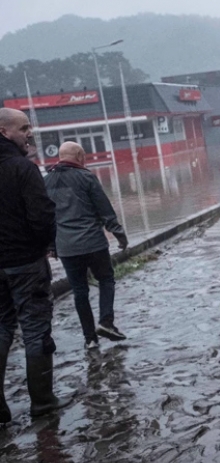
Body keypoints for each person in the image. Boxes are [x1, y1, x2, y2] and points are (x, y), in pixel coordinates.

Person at [0, 108, 71, 422]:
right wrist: (46, 245)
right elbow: (42, 215)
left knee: (1, 326)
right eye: (23, 128)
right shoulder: (22, 169)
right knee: (35, 329)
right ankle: (43, 403)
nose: (30, 133)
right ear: (4, 132)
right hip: (26, 263)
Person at [44, 142, 129, 349]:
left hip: (66, 248)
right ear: (80, 156)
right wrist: (120, 236)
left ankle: (90, 339)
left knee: (79, 290)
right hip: (93, 243)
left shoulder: (46, 182)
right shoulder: (86, 177)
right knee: (106, 279)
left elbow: (45, 217)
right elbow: (105, 210)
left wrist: (51, 246)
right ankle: (106, 322)